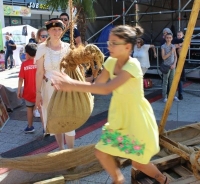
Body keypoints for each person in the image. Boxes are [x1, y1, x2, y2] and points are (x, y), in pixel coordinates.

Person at [51, 25, 169, 184]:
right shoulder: (111, 62)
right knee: (101, 152)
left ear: (127, 47)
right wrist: (73, 74)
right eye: (109, 42)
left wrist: (71, 84)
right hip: (119, 117)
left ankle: (163, 179)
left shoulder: (132, 65)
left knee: (138, 162)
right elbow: (97, 85)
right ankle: (118, 179)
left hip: (136, 119)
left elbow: (106, 89)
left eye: (114, 43)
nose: (109, 46)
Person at [35, 18, 75, 150]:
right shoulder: (42, 48)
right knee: (56, 121)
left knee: (69, 121)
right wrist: (38, 93)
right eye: (53, 29)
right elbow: (40, 72)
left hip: (65, 88)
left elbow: (73, 68)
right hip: (48, 89)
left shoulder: (68, 47)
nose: (56, 32)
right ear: (48, 31)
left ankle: (70, 152)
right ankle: (61, 149)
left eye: (59, 29)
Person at [17, 43, 37, 133]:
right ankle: (46, 129)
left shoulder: (24, 65)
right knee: (42, 109)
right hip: (40, 92)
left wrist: (18, 91)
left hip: (28, 92)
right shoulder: (40, 63)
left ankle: (30, 126)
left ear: (27, 54)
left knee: (29, 109)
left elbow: (21, 79)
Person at [161, 33, 179, 103]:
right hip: (166, 66)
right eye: (167, 37)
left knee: (172, 81)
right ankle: (164, 96)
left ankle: (172, 95)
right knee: (165, 82)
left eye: (170, 38)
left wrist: (174, 64)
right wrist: (171, 51)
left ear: (172, 38)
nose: (168, 39)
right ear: (165, 38)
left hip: (172, 66)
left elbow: (175, 56)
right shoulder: (163, 46)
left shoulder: (173, 46)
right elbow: (163, 57)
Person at [173, 31, 185, 100]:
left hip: (180, 62)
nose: (179, 36)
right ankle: (175, 94)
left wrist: (180, 45)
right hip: (175, 61)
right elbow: (174, 46)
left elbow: (187, 44)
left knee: (179, 79)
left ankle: (180, 94)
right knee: (175, 79)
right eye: (178, 35)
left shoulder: (183, 40)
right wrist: (180, 45)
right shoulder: (174, 40)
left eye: (180, 35)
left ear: (182, 35)